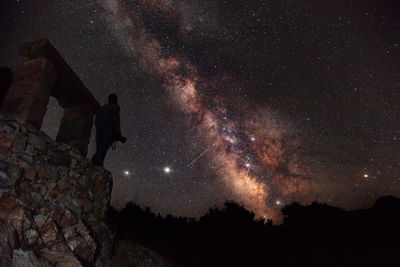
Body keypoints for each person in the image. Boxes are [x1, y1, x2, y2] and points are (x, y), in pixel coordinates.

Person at [91, 93, 126, 166]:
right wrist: (118, 132)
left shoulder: (102, 108)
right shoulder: (115, 106)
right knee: (104, 147)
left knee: (99, 147)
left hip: (99, 129)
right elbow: (116, 119)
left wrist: (98, 127)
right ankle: (97, 163)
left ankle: (94, 162)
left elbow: (96, 120)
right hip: (109, 129)